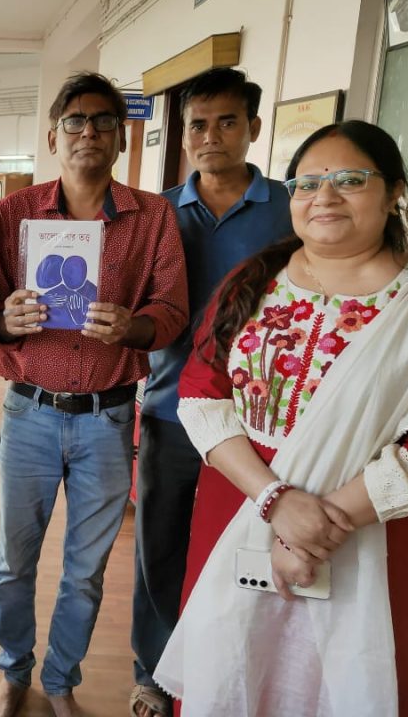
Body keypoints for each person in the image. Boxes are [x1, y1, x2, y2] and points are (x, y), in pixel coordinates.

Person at [154, 120, 408, 716]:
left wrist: (318, 525)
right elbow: (201, 391)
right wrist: (276, 501)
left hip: (371, 525)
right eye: (307, 184)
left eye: (350, 180)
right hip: (240, 505)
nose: (325, 197)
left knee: (348, 682)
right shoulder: (253, 280)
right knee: (230, 667)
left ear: (395, 191)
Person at [0, 72, 188, 717]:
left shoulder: (152, 216)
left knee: (85, 571)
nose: (88, 132)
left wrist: (134, 326)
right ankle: (14, 672)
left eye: (102, 121)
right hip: (29, 412)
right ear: (53, 136)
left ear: (121, 137)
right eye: (75, 120)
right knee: (14, 563)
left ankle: (61, 680)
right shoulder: (15, 212)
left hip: (108, 418)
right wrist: (7, 318)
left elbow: (171, 309)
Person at [129, 67, 294, 717]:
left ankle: (230, 669)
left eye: (227, 122)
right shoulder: (157, 213)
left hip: (257, 419)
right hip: (170, 407)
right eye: (198, 124)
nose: (210, 137)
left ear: (253, 128)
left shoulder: (288, 208)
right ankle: (154, 670)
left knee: (244, 547)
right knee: (159, 544)